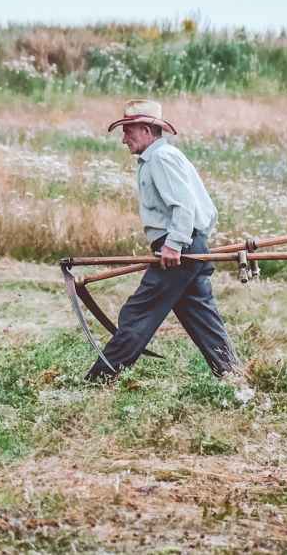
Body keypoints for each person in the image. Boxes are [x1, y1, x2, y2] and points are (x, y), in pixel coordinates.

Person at [85, 99, 238, 380]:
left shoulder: (161, 158)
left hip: (177, 249)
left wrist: (174, 244)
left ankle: (99, 379)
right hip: (186, 246)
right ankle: (234, 375)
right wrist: (191, 243)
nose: (123, 139)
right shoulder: (160, 158)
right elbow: (205, 209)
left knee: (137, 313)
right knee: (202, 318)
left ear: (145, 129)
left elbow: (184, 206)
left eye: (128, 131)